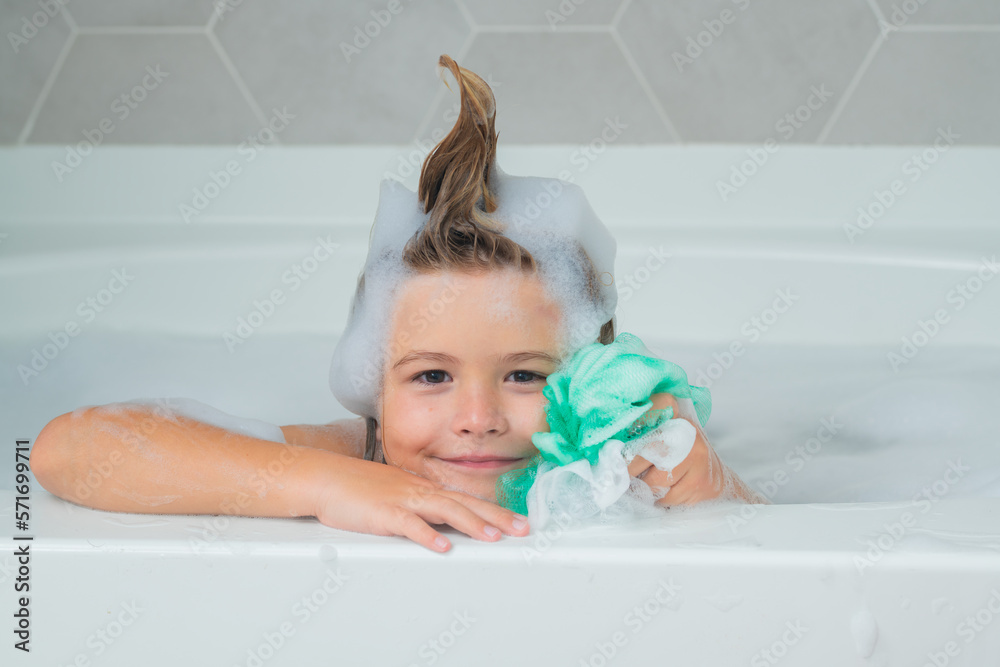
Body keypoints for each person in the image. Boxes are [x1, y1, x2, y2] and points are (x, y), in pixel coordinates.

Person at [30, 55, 764, 555]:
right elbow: (68, 450)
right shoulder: (364, 453)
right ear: (374, 384)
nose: (476, 418)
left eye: (524, 376)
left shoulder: (613, 460)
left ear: (589, 376)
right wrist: (328, 485)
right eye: (431, 377)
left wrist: (717, 489)